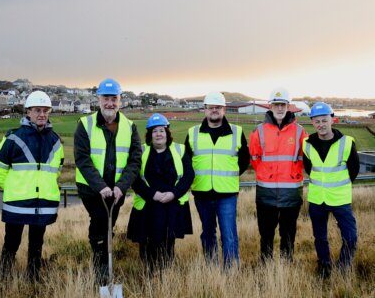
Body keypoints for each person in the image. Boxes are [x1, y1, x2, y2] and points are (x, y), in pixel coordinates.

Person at [74, 78, 142, 285]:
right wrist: (101, 186)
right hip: (92, 190)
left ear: (120, 101)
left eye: (114, 99)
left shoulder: (130, 127)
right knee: (100, 223)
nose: (110, 103)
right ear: (99, 99)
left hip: (117, 191)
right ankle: (101, 270)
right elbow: (82, 159)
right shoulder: (84, 124)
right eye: (106, 98)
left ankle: (104, 262)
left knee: (107, 224)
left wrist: (121, 186)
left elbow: (135, 159)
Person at [0, 91, 64, 280]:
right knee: (11, 242)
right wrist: (13, 187)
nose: (42, 114)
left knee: (37, 244)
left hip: (43, 204)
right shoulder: (13, 138)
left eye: (45, 110)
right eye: (37, 110)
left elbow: (56, 170)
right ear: (28, 112)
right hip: (17, 202)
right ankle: (4, 276)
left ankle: (33, 277)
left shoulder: (55, 140)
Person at [185, 92, 249, 268]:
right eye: (211, 107)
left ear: (224, 109)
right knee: (207, 233)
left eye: (218, 107)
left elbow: (244, 161)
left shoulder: (237, 132)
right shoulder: (193, 133)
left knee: (228, 233)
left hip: (227, 193)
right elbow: (186, 162)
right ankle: (211, 267)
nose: (214, 110)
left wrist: (229, 176)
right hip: (202, 192)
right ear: (205, 110)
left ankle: (231, 269)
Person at [127, 113, 194, 273]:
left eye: (162, 130)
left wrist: (173, 194)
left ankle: (166, 272)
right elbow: (134, 178)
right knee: (147, 242)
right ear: (149, 134)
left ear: (167, 133)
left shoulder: (180, 150)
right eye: (154, 131)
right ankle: (149, 273)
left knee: (168, 241)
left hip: (172, 205)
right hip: (148, 205)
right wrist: (152, 194)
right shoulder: (141, 151)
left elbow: (188, 176)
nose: (158, 134)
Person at [249, 88, 307, 261]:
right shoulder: (258, 131)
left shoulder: (300, 132)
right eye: (276, 104)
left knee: (288, 234)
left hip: (291, 194)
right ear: (270, 106)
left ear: (288, 106)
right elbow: (254, 159)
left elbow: (305, 158)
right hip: (266, 193)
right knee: (266, 234)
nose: (280, 108)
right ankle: (266, 266)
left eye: (283, 104)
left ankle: (286, 265)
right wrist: (267, 175)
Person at [303, 102, 359, 278]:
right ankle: (325, 267)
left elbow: (354, 170)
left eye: (324, 120)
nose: (321, 124)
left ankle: (343, 269)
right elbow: (308, 168)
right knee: (320, 238)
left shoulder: (347, 143)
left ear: (332, 120)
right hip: (317, 199)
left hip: (340, 200)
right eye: (317, 121)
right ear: (312, 122)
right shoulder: (307, 144)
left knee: (350, 237)